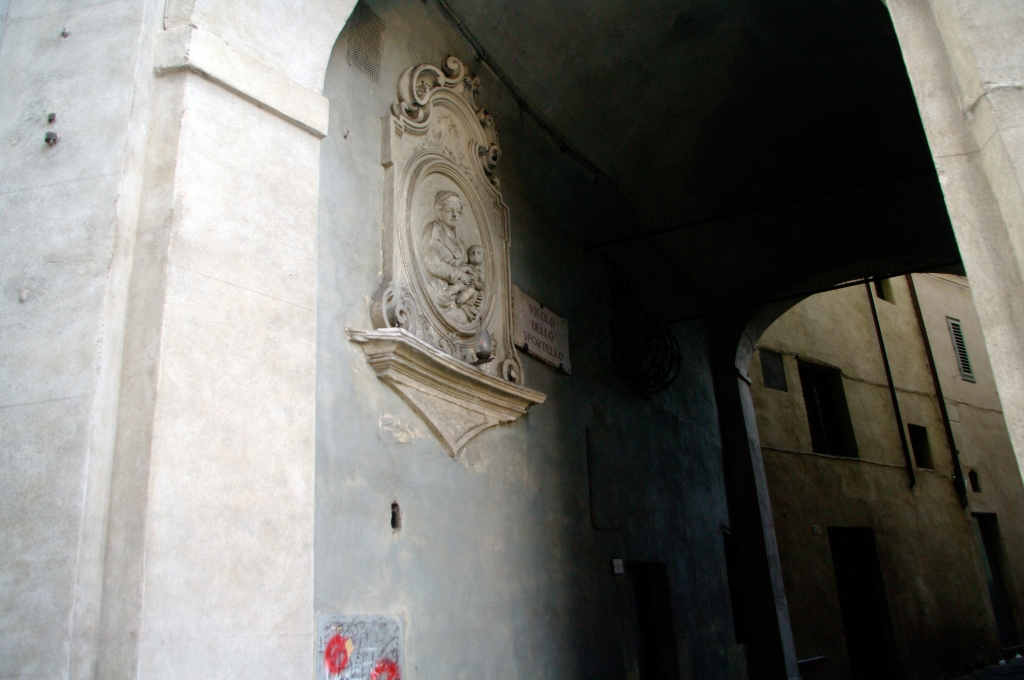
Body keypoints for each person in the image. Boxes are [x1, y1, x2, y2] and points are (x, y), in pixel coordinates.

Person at [421, 191, 481, 325]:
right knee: (453, 316)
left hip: (456, 296)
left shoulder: (461, 245)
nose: (454, 215)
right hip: (438, 291)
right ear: (439, 211)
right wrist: (459, 274)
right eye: (449, 211)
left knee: (463, 318)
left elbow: (467, 276)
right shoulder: (434, 230)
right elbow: (431, 262)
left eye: (458, 212)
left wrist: (473, 293)